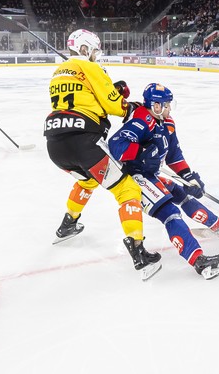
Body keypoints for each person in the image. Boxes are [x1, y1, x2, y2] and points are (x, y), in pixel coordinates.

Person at [44, 29, 161, 279]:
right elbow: (114, 107)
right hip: (84, 143)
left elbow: (80, 100)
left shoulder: (58, 73)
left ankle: (68, 224)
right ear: (85, 49)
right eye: (95, 50)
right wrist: (130, 105)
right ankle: (138, 251)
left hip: (55, 146)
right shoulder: (91, 68)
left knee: (87, 180)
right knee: (126, 189)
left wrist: (109, 89)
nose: (97, 55)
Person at [108, 83, 219, 280]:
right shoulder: (142, 119)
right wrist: (140, 152)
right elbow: (116, 146)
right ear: (156, 106)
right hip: (136, 178)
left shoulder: (167, 123)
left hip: (153, 175)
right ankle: (199, 261)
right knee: (171, 214)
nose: (169, 108)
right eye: (166, 104)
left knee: (182, 194)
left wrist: (188, 176)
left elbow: (174, 155)